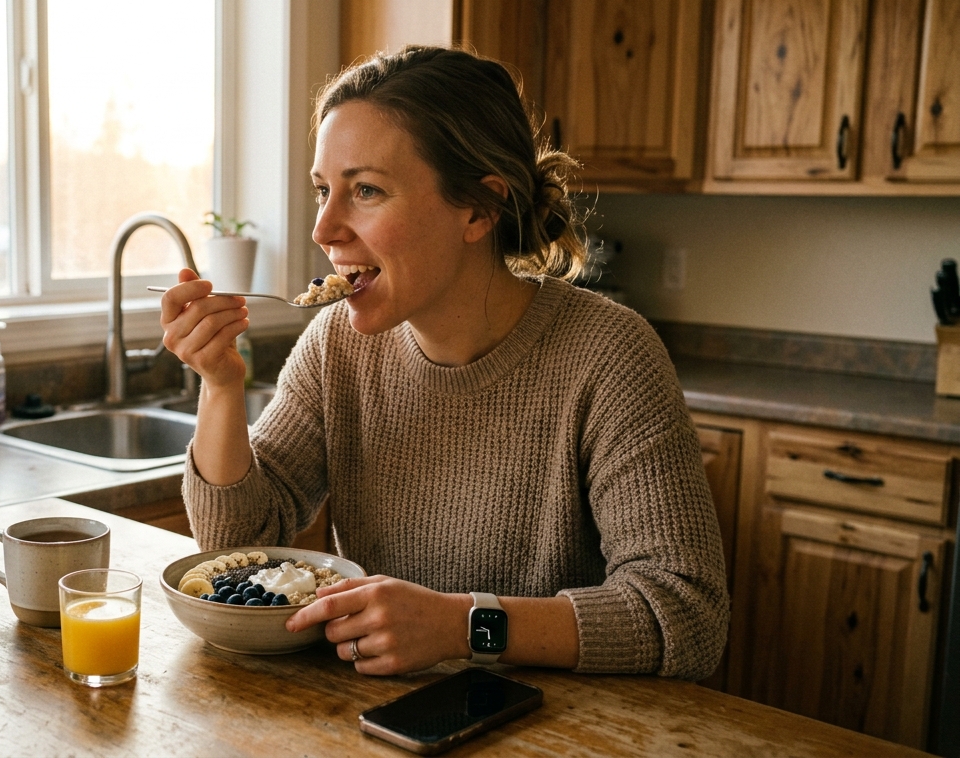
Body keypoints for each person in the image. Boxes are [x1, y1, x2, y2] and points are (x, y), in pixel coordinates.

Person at [158, 45, 728, 680]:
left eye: (366, 190)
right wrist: (219, 385)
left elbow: (685, 616)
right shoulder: (336, 346)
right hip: (384, 718)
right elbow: (236, 548)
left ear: (479, 209)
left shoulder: (609, 355)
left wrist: (462, 626)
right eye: (324, 189)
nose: (324, 228)